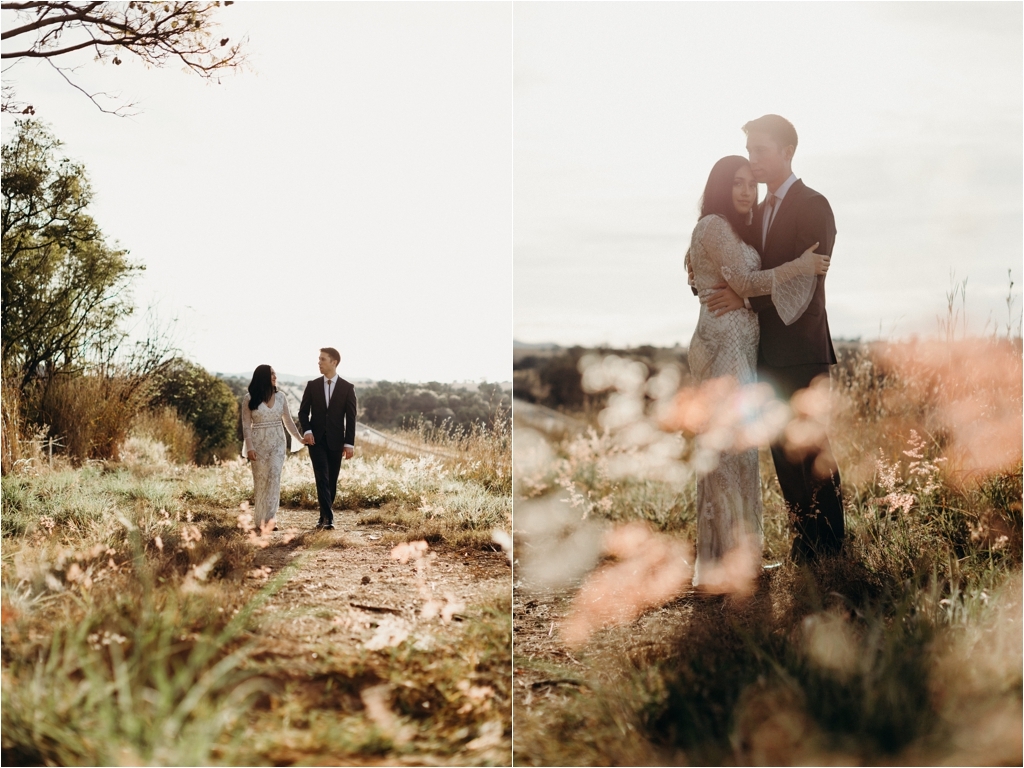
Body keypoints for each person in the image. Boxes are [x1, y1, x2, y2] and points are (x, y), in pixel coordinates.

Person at [702, 114, 845, 563]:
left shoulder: (814, 205)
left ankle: (833, 550)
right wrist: (704, 281)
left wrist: (744, 299)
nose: (753, 160)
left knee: (812, 449)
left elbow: (802, 287)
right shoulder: (752, 213)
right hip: (760, 351)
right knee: (782, 453)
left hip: (802, 349)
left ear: (787, 151)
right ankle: (805, 548)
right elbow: (732, 267)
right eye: (748, 151)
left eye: (760, 150)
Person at [685, 154, 829, 587]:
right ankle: (723, 565)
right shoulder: (713, 226)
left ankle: (737, 558)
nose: (747, 191)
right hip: (723, 345)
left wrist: (744, 298)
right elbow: (747, 283)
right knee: (728, 452)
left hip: (742, 346)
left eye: (750, 183)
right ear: (719, 188)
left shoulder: (732, 229)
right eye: (737, 183)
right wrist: (800, 267)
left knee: (742, 453)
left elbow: (743, 288)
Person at [240, 365, 305, 533]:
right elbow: (246, 426)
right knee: (261, 481)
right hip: (258, 443)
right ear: (262, 377)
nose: (275, 376)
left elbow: (289, 421)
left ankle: (271, 520)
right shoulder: (249, 398)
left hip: (278, 443)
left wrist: (299, 438)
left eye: (275, 374)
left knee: (275, 477)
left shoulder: (281, 397)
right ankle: (260, 520)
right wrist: (250, 447)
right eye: (271, 374)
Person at [298, 347, 357, 530]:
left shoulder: (347, 388)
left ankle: (323, 515)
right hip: (315, 441)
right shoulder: (312, 385)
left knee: (331, 480)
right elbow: (302, 412)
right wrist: (307, 431)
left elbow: (351, 417)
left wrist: (349, 443)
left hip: (336, 441)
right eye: (319, 359)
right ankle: (329, 519)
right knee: (322, 477)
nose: (319, 363)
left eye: (323, 359)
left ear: (334, 362)